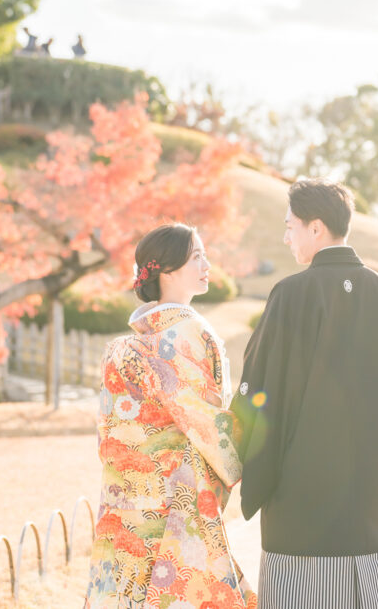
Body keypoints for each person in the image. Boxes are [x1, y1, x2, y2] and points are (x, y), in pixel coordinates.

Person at [231, 179, 378, 609]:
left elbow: (258, 389)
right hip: (368, 501)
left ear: (315, 228)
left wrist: (242, 455)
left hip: (299, 502)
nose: (286, 237)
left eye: (290, 227)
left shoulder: (291, 294)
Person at [84, 223, 256, 609]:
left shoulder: (121, 349)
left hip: (128, 495)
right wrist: (252, 450)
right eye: (197, 257)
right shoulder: (190, 332)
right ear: (168, 271)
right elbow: (208, 421)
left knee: (131, 590)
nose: (208, 264)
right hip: (178, 494)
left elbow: (110, 434)